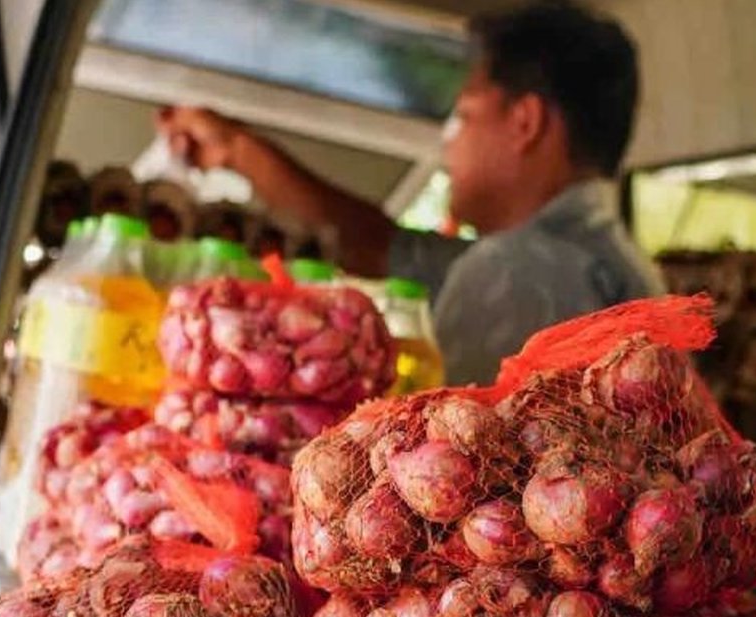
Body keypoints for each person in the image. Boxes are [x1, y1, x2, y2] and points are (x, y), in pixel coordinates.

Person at [156, 0, 665, 386]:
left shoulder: (523, 268)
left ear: (525, 122)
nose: (450, 146)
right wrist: (236, 151)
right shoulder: (598, 261)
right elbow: (376, 245)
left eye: (463, 116)